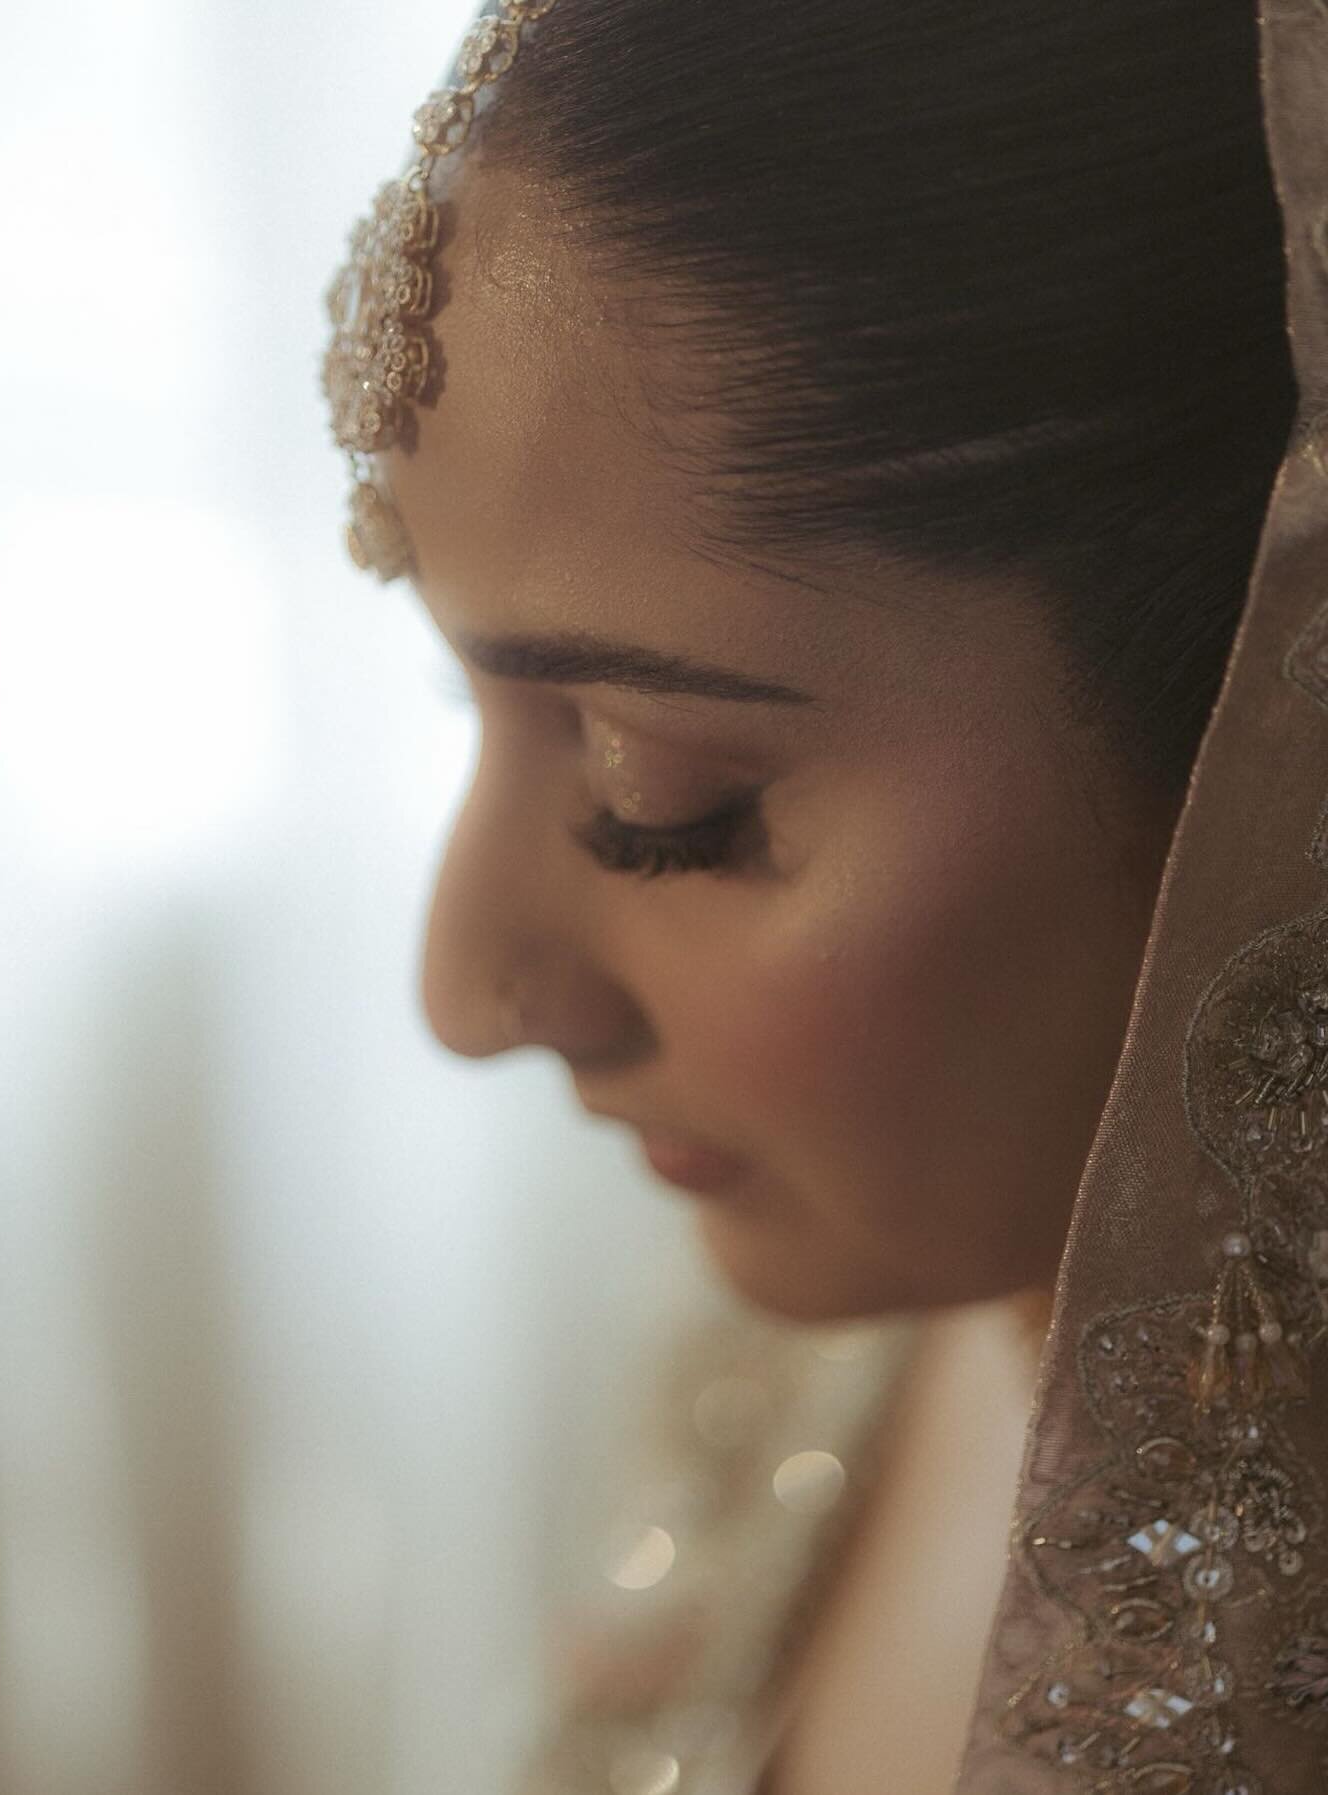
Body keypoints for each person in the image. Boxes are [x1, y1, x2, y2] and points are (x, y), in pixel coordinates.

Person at [320, 0, 1328, 1788]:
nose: (465, 992)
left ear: (1267, 727)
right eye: (470, 715)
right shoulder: (844, 1330)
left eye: (659, 806)